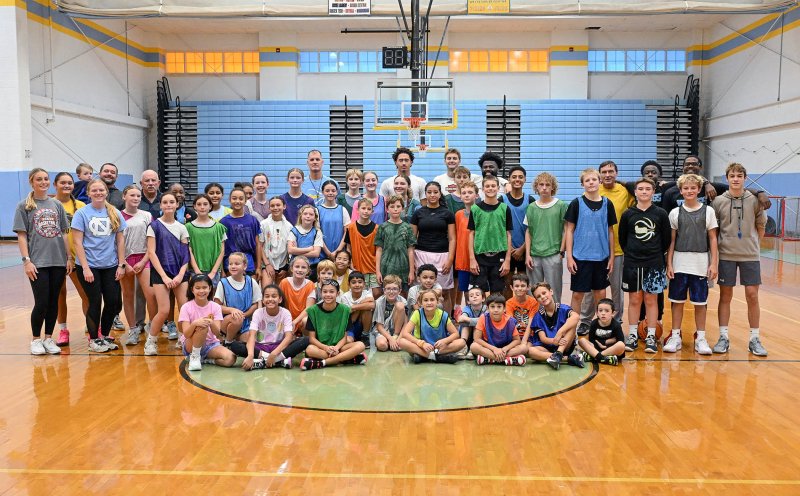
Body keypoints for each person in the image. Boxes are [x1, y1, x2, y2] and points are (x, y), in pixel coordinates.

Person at [712, 163, 768, 356]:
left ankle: (754, 338)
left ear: (745, 178)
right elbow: (715, 231)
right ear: (727, 179)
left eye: (739, 175)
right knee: (725, 296)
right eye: (732, 176)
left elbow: (761, 226)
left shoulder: (755, 200)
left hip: (750, 256)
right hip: (726, 255)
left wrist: (752, 244)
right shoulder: (718, 201)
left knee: (752, 295)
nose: (736, 179)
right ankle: (723, 337)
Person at [15, 168, 72, 355]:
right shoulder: (24, 206)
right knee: (41, 302)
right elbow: (22, 236)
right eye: (39, 179)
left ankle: (48, 338)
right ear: (32, 182)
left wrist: (68, 257)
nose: (43, 182)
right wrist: (26, 261)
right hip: (38, 262)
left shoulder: (56, 204)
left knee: (53, 301)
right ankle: (35, 340)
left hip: (58, 261)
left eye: (46, 179)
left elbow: (64, 232)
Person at [662, 173, 719, 355]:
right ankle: (676, 336)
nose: (689, 191)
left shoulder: (708, 211)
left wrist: (714, 263)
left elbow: (713, 239)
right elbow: (671, 241)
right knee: (676, 301)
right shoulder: (675, 212)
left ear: (699, 189)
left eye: (693, 188)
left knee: (700, 302)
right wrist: (669, 264)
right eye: (686, 188)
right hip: (679, 262)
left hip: (701, 262)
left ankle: (700, 338)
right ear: (680, 191)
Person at [71, 178, 127, 353]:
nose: (98, 193)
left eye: (101, 190)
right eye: (94, 190)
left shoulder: (114, 213)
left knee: (112, 302)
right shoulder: (81, 214)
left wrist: (121, 264)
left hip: (110, 265)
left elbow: (120, 240)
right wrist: (86, 268)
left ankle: (104, 334)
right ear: (88, 193)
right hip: (89, 266)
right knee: (94, 302)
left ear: (106, 192)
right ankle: (94, 339)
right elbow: (78, 243)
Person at [618, 177, 670, 354]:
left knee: (651, 299)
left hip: (654, 262)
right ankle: (632, 335)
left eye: (648, 189)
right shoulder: (628, 214)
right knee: (634, 300)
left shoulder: (661, 214)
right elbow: (623, 239)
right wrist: (633, 252)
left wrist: (653, 253)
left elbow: (666, 240)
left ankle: (651, 336)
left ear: (653, 192)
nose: (644, 192)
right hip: (633, 262)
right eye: (641, 189)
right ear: (635, 192)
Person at [564, 168, 616, 332]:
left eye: (594, 179)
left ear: (600, 181)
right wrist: (569, 257)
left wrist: (612, 256)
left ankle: (602, 326)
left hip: (601, 257)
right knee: (578, 294)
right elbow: (569, 231)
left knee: (600, 294)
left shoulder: (608, 204)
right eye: (587, 180)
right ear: (582, 184)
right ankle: (572, 328)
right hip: (580, 256)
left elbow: (610, 231)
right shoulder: (576, 203)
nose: (591, 182)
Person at [586, 160, 634, 324]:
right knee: (592, 288)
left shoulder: (625, 191)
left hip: (618, 248)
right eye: (604, 172)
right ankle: (587, 321)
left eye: (611, 171)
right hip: (594, 249)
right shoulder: (593, 190)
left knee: (616, 288)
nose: (607, 175)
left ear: (616, 173)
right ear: (599, 175)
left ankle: (617, 320)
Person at [143, 192, 190, 355]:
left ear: (177, 205)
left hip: (180, 273)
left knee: (184, 309)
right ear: (160, 205)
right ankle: (151, 341)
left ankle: (183, 339)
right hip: (160, 273)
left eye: (172, 202)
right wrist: (164, 276)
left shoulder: (182, 227)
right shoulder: (154, 226)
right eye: (165, 202)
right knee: (163, 310)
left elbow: (185, 255)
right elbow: (151, 253)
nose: (169, 204)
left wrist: (179, 275)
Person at [661, 155, 772, 214]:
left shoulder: (712, 188)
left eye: (694, 164)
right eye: (687, 164)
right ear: (683, 167)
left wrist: (759, 192)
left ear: (700, 167)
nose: (690, 166)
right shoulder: (671, 190)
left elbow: (738, 189)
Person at [233, 284, 309, 370]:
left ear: (280, 299)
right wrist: (250, 355)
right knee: (235, 345)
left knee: (305, 340)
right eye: (267, 296)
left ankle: (263, 362)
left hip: (279, 347)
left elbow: (288, 337)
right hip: (260, 348)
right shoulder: (258, 312)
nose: (270, 299)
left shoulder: (285, 313)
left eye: (274, 296)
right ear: (263, 300)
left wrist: (274, 354)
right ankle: (279, 362)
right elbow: (252, 336)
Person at [53, 172, 88, 346]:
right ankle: (63, 330)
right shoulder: (50, 204)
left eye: (69, 183)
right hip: (57, 258)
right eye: (63, 183)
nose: (66, 186)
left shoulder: (81, 205)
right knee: (60, 295)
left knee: (86, 295)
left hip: (77, 258)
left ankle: (91, 327)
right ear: (55, 184)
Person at [301, 280, 367, 370]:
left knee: (360, 345)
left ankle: (323, 362)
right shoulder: (313, 311)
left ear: (338, 293)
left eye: (332, 291)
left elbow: (344, 337)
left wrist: (336, 348)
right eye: (325, 291)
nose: (328, 294)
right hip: (321, 348)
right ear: (321, 293)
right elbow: (312, 339)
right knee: (310, 349)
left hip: (339, 347)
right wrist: (326, 348)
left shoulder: (345, 310)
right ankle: (345, 358)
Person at [119, 185, 156, 346]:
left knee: (151, 295)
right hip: (125, 260)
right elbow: (116, 242)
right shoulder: (117, 216)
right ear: (124, 197)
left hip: (144, 258)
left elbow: (151, 241)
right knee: (128, 295)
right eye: (132, 195)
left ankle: (153, 327)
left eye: (138, 196)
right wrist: (124, 263)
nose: (135, 198)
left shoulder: (147, 215)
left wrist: (143, 261)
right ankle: (133, 329)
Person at [411, 182, 456, 311]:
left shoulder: (447, 214)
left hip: (442, 256)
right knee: (422, 293)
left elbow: (452, 238)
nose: (432, 195)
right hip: (421, 255)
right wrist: (412, 260)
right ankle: (420, 321)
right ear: (425, 194)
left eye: (435, 192)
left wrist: (450, 259)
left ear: (440, 193)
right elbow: (412, 239)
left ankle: (446, 322)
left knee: (444, 292)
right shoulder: (418, 213)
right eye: (429, 192)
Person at [524, 172, 568, 303]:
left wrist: (561, 251)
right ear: (536, 187)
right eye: (541, 184)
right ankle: (536, 319)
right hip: (534, 255)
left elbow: (566, 230)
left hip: (553, 254)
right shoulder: (531, 207)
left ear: (552, 187)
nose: (544, 187)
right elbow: (528, 231)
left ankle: (555, 319)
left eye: (547, 185)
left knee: (554, 290)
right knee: (534, 292)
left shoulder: (561, 205)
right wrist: (527, 254)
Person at [178, 274, 236, 371]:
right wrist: (194, 324)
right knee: (202, 325)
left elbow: (218, 334)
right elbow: (186, 334)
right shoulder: (186, 307)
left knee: (230, 359)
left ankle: (205, 360)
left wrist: (211, 323)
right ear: (192, 290)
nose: (201, 291)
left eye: (204, 287)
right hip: (190, 344)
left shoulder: (216, 307)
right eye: (198, 288)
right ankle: (195, 356)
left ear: (210, 288)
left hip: (210, 344)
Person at [468, 175, 513, 295]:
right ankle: (479, 314)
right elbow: (471, 234)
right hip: (480, 257)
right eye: (487, 186)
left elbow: (508, 234)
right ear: (482, 189)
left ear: (498, 188)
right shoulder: (475, 209)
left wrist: (507, 260)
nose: (490, 188)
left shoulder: (505, 208)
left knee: (497, 293)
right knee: (478, 293)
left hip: (499, 257)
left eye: (493, 186)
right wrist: (472, 259)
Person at [399, 288, 465, 363]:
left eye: (432, 300)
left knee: (461, 342)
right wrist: (421, 343)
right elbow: (405, 333)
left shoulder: (443, 314)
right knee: (401, 341)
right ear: (420, 303)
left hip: (440, 347)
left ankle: (424, 356)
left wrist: (445, 341)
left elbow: (455, 334)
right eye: (426, 300)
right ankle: (435, 357)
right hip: (422, 347)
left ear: (437, 302)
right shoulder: (417, 313)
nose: (429, 302)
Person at [527, 282, 584, 369]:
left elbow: (576, 317)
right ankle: (566, 359)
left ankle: (559, 353)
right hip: (548, 348)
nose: (542, 297)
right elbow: (543, 339)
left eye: (544, 293)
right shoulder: (538, 316)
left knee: (572, 322)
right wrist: (554, 341)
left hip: (565, 345)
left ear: (551, 292)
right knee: (531, 351)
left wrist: (560, 333)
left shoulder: (563, 308)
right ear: (537, 300)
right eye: (538, 296)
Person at [214, 252, 260, 345]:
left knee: (253, 340)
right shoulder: (223, 283)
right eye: (230, 264)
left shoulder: (251, 282)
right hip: (227, 322)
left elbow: (255, 304)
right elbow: (216, 307)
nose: (233, 266)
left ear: (245, 266)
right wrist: (232, 310)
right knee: (237, 319)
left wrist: (244, 315)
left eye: (237, 264)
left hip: (245, 322)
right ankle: (228, 341)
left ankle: (235, 339)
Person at [469, 293, 527, 366]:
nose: (496, 310)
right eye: (492, 307)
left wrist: (505, 349)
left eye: (499, 307)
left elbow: (517, 340)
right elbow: (477, 339)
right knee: (474, 346)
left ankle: (490, 359)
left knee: (524, 348)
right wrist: (494, 349)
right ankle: (507, 360)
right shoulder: (483, 318)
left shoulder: (510, 320)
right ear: (487, 308)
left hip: (505, 349)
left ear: (504, 308)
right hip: (489, 348)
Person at [502, 166, 535, 292]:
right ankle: (508, 311)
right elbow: (500, 227)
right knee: (507, 285)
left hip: (524, 249)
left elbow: (533, 228)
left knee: (523, 285)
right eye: (514, 177)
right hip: (507, 250)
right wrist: (509, 249)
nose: (517, 179)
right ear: (509, 179)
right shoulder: (502, 200)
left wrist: (522, 249)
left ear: (525, 179)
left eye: (520, 177)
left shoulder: (530, 200)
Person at [375, 195, 416, 291]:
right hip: (386, 268)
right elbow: (379, 250)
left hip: (403, 268)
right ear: (387, 209)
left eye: (398, 206)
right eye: (392, 206)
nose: (395, 209)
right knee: (387, 294)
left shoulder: (407, 227)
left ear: (402, 208)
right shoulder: (382, 227)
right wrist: (378, 271)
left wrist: (411, 271)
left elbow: (410, 250)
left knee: (403, 294)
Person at [220, 188, 262, 277]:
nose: (237, 201)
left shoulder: (252, 220)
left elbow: (258, 244)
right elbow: (221, 248)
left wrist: (258, 267)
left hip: (249, 262)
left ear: (245, 200)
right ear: (229, 200)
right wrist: (222, 270)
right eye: (234, 198)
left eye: (241, 198)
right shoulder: (223, 222)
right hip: (230, 262)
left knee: (250, 289)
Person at [186, 193, 227, 285]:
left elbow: (222, 250)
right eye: (199, 204)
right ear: (194, 207)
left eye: (205, 204)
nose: (202, 207)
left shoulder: (219, 227)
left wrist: (213, 272)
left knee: (213, 298)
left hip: (214, 271)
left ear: (210, 206)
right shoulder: (188, 227)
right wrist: (197, 271)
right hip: (195, 270)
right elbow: (189, 250)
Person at [452, 180, 479, 307]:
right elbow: (455, 237)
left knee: (478, 290)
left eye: (470, 192)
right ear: (460, 196)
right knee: (466, 290)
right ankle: (467, 312)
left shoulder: (481, 213)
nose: (467, 195)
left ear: (476, 195)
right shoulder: (458, 215)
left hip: (478, 259)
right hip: (463, 259)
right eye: (464, 193)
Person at [578, 298, 625, 365]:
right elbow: (591, 340)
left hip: (610, 350)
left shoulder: (616, 325)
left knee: (621, 345)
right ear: (597, 313)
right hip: (596, 348)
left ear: (613, 313)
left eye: (607, 311)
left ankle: (595, 357)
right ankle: (604, 359)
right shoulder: (594, 323)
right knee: (581, 340)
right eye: (600, 310)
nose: (603, 313)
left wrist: (605, 344)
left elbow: (621, 341)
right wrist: (606, 341)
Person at [258, 196, 293, 286]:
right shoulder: (263, 224)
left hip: (282, 266)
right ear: (269, 208)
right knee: (266, 289)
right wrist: (267, 265)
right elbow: (260, 246)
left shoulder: (289, 226)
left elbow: (289, 249)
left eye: (278, 205)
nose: (275, 208)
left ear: (284, 206)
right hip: (267, 264)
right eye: (272, 206)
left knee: (280, 294)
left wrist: (285, 268)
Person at [338, 271, 376, 349]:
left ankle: (365, 336)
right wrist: (361, 306)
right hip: (350, 325)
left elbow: (372, 305)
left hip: (363, 324)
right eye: (354, 282)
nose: (357, 285)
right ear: (349, 285)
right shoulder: (345, 297)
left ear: (364, 284)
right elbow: (350, 317)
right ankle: (354, 339)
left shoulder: (367, 293)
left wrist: (353, 307)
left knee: (367, 310)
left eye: (360, 282)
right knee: (349, 342)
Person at [279, 256, 316, 334]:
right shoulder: (284, 282)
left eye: (303, 267)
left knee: (306, 321)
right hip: (286, 318)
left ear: (308, 270)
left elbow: (308, 308)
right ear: (292, 268)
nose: (300, 270)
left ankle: (306, 342)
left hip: (302, 319)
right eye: (297, 266)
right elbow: (279, 305)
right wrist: (288, 321)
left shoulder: (310, 285)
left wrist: (294, 322)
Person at [287, 204, 324, 280]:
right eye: (305, 214)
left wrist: (297, 251)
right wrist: (309, 249)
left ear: (315, 218)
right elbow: (290, 250)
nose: (308, 216)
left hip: (313, 266)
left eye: (311, 214)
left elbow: (316, 253)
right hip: (296, 266)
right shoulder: (294, 230)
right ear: (301, 216)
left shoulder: (317, 232)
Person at [372, 275, 408, 352]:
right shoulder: (379, 302)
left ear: (399, 291)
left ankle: (395, 335)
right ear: (384, 290)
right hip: (383, 330)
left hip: (397, 330)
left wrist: (398, 338)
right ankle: (389, 341)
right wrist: (390, 339)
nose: (391, 292)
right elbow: (379, 326)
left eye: (395, 289)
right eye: (388, 289)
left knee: (400, 305)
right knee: (382, 346)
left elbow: (405, 324)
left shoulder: (403, 301)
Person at [318, 179, 350, 261]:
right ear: (323, 192)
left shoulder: (342, 210)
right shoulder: (317, 210)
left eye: (333, 190)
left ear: (337, 192)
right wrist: (328, 253)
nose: (330, 193)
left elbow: (347, 233)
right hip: (322, 254)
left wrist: (337, 251)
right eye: (327, 191)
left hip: (340, 255)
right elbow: (317, 234)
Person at [454, 286, 485, 359]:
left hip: (480, 339)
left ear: (483, 298)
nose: (474, 297)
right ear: (468, 301)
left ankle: (472, 348)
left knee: (477, 325)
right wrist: (471, 321)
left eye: (477, 295)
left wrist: (469, 320)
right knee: (465, 324)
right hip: (467, 336)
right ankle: (463, 345)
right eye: (471, 296)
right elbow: (461, 319)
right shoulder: (467, 308)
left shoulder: (486, 309)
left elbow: (484, 321)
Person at [505, 273, 539, 338]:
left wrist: (524, 341)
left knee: (524, 347)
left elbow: (531, 323)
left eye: (523, 286)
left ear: (528, 287)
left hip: (530, 335)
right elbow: (510, 322)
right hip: (514, 335)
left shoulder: (534, 302)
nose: (520, 288)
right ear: (512, 287)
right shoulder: (508, 303)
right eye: (517, 286)